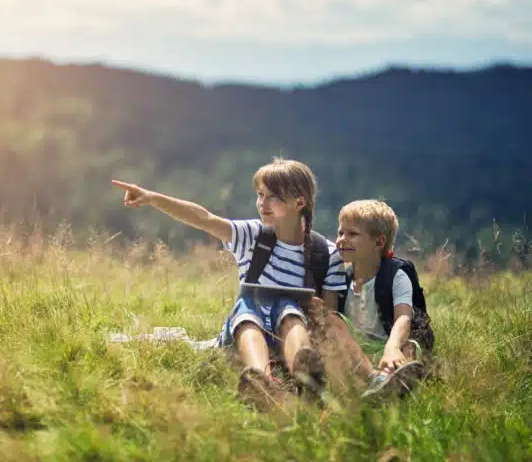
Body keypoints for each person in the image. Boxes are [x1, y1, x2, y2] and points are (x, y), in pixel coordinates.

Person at [112, 158, 347, 409]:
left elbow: (329, 315)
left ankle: (305, 378)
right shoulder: (252, 235)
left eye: (272, 197)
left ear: (299, 203)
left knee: (288, 309)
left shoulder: (326, 254)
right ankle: (262, 383)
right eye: (260, 194)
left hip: (291, 334)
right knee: (248, 309)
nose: (262, 203)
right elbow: (203, 218)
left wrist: (317, 308)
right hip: (240, 337)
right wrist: (151, 198)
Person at [318, 199, 429, 399]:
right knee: (332, 324)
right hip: (357, 351)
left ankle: (394, 382)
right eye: (340, 233)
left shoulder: (396, 274)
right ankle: (376, 381)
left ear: (378, 242)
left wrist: (393, 347)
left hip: (393, 342)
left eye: (352, 234)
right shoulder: (342, 279)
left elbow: (403, 318)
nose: (342, 240)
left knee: (409, 347)